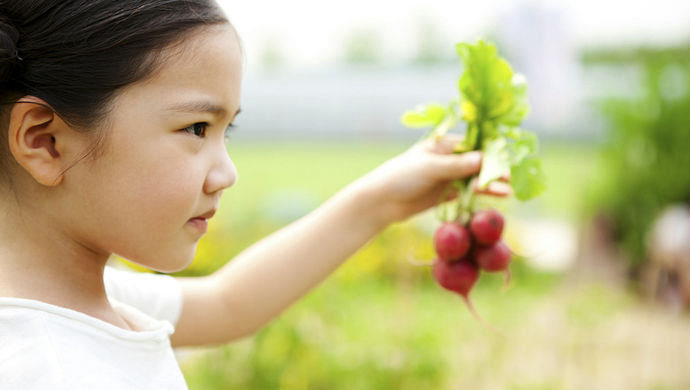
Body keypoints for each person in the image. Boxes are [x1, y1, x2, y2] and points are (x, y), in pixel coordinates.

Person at [0, 1, 510, 388]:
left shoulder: (81, 298)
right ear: (44, 141)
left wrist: (383, 201)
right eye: (197, 128)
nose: (227, 173)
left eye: (227, 131)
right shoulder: (41, 365)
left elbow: (228, 303)